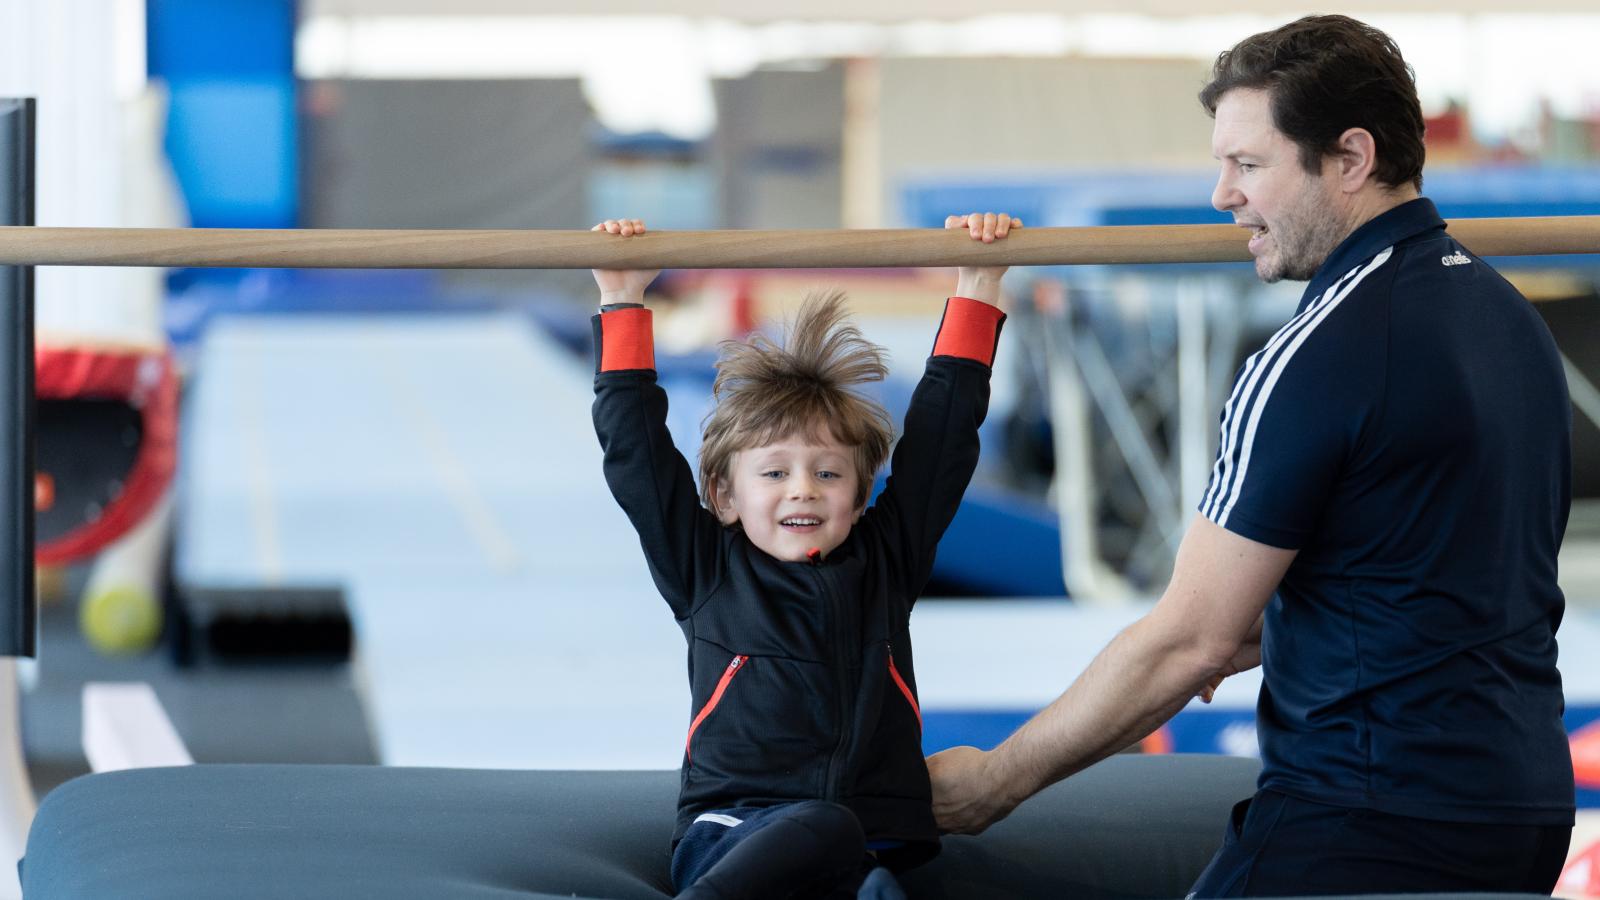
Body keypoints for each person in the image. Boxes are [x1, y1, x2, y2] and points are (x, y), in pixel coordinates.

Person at [926, 14, 1575, 896]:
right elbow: (1427, 578)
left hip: (1364, 820)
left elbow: (1189, 643)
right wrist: (1274, 628)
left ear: (1350, 158)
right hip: (1524, 807)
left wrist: (991, 782)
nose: (1221, 195)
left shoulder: (1317, 354)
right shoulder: (1513, 323)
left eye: (1249, 165)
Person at [589, 213, 1019, 899]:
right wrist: (622, 297)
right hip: (731, 833)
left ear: (858, 494)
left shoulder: (886, 560)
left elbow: (942, 440)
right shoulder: (706, 567)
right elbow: (635, 453)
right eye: (775, 473)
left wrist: (980, 280)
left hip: (863, 841)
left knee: (868, 874)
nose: (803, 491)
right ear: (724, 495)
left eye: (827, 473)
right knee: (829, 831)